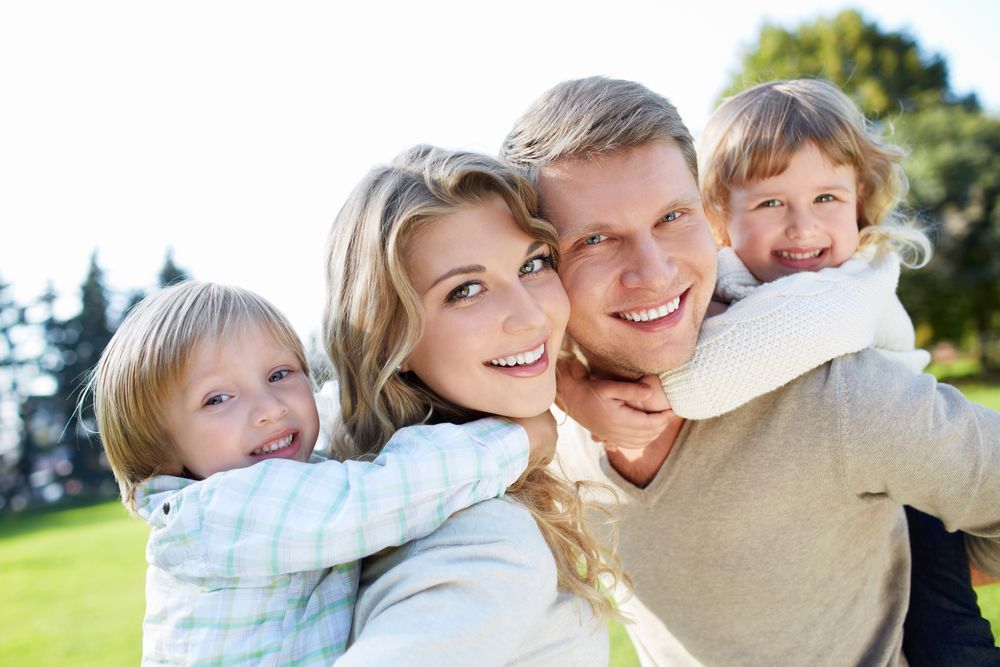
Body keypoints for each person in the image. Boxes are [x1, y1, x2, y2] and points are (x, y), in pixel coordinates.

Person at [500, 76, 1000, 665]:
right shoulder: (536, 438)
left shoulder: (845, 395)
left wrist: (894, 570)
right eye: (596, 238)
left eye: (671, 217)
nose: (655, 273)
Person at [86, 280, 552, 666]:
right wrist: (517, 439)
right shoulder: (221, 513)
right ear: (158, 447)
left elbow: (338, 412)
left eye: (279, 374)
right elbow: (375, 496)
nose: (269, 408)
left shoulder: (259, 476)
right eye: (217, 399)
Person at [324, 145, 621, 665]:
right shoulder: (488, 542)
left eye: (533, 264)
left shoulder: (363, 478)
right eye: (466, 290)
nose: (530, 316)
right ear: (392, 339)